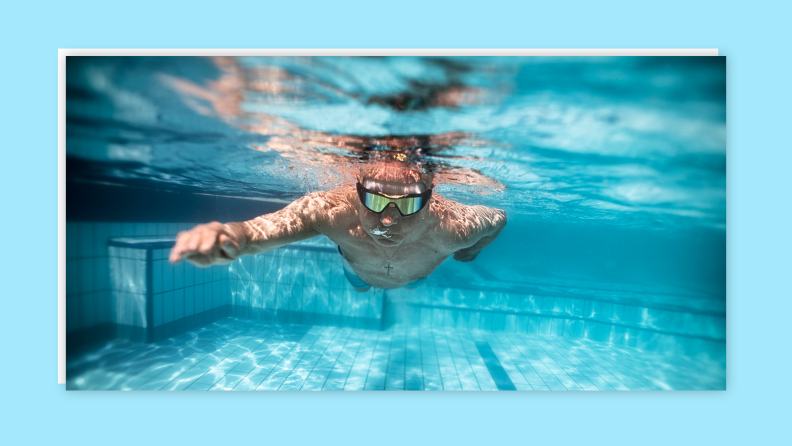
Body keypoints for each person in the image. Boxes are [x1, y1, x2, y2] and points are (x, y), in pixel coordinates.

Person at [169, 161, 506, 291]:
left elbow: (498, 219)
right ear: (356, 192)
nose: (389, 219)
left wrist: (471, 252)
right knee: (360, 285)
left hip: (416, 276)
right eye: (375, 200)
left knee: (412, 285)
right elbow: (257, 233)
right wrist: (228, 237)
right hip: (356, 268)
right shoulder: (328, 210)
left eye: (408, 203)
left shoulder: (453, 227)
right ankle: (362, 284)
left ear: (429, 198)